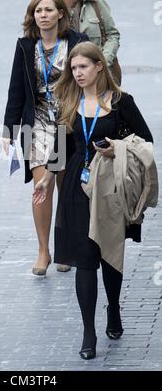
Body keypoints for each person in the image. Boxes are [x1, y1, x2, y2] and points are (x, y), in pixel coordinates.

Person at [33, 42, 154, 360]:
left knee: (108, 254)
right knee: (84, 258)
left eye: (83, 67)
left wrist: (117, 146)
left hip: (110, 185)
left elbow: (145, 140)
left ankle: (113, 308)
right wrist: (46, 180)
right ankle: (89, 331)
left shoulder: (120, 102)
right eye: (73, 69)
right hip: (75, 185)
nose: (77, 73)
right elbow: (59, 150)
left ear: (99, 66)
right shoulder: (68, 101)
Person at [3, 0, 88, 276]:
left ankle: (66, 246)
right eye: (38, 11)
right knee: (42, 186)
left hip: (69, 121)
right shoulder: (26, 46)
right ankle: (43, 250)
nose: (43, 15)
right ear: (33, 15)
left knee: (66, 186)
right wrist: (8, 131)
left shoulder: (76, 42)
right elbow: (16, 89)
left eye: (49, 10)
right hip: (38, 121)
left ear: (61, 14)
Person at [47, 0, 120, 81]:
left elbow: (113, 35)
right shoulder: (47, 8)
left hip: (99, 76)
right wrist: (66, 9)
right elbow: (54, 39)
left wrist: (102, 63)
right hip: (67, 78)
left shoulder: (96, 3)